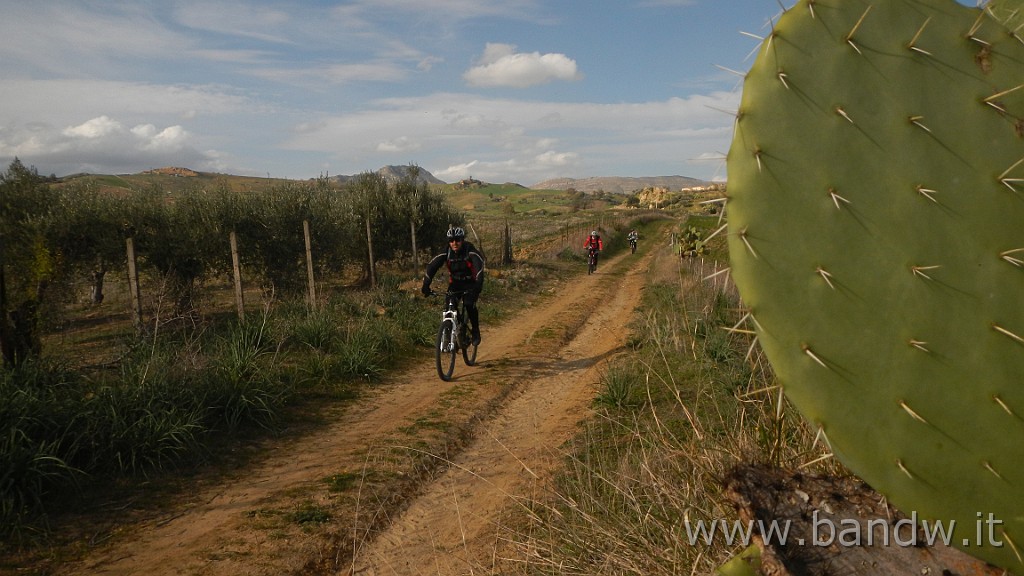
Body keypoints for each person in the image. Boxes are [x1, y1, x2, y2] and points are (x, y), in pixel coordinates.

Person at [421, 226, 486, 345]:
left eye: (457, 240)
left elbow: (479, 265)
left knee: (469, 304)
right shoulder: (447, 251)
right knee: (449, 306)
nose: (454, 243)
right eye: (451, 240)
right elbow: (432, 266)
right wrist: (426, 285)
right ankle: (449, 333)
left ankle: (475, 331)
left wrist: (478, 284)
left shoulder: (469, 250)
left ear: (462, 239)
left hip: (470, 284)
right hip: (455, 284)